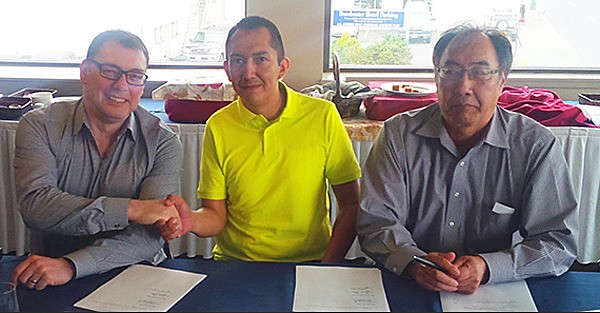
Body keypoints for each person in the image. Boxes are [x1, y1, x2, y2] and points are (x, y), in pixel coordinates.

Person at [357, 23, 578, 294]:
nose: (464, 86)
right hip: (410, 286)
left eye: (480, 72)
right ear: (436, 79)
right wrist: (414, 263)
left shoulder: (534, 145)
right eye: (450, 71)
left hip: (494, 292)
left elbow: (557, 242)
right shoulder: (398, 136)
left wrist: (489, 267)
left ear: (501, 80)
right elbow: (376, 222)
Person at [159, 16, 361, 263]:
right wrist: (191, 219)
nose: (248, 72)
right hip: (236, 264)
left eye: (261, 59)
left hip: (309, 261)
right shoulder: (219, 125)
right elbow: (215, 215)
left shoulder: (322, 116)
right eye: (238, 61)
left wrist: (327, 266)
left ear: (282, 67)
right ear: (227, 70)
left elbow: (351, 204)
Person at [11, 29, 183, 290]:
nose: (122, 85)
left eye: (135, 76)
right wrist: (133, 209)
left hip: (134, 276)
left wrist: (72, 265)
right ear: (84, 72)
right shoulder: (39, 126)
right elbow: (37, 207)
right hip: (48, 277)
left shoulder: (164, 142)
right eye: (110, 71)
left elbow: (150, 235)